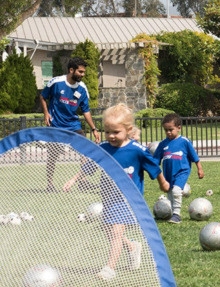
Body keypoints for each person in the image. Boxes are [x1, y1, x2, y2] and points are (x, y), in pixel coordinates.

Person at [63, 104, 170, 281]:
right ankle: (132, 247)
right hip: (108, 198)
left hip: (128, 199)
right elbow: (90, 165)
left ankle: (109, 268)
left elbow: (155, 168)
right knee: (107, 228)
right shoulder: (103, 147)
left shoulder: (137, 150)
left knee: (116, 232)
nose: (111, 136)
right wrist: (74, 179)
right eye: (107, 132)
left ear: (128, 130)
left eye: (116, 132)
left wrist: (163, 182)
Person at [40, 57, 100, 192]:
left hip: (73, 126)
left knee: (86, 151)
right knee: (53, 155)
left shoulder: (83, 88)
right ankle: (50, 185)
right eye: (80, 72)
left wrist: (94, 129)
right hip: (56, 125)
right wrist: (46, 113)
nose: (83, 74)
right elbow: (43, 96)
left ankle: (83, 183)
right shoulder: (56, 83)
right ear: (71, 70)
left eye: (84, 72)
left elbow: (86, 111)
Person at [153, 113, 204, 224]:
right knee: (170, 194)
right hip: (168, 173)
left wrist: (199, 169)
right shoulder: (163, 144)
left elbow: (194, 157)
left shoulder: (184, 141)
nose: (168, 132)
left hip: (182, 171)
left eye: (171, 130)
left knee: (176, 191)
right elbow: (156, 160)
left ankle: (177, 215)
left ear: (179, 128)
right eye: (166, 130)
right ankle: (171, 213)